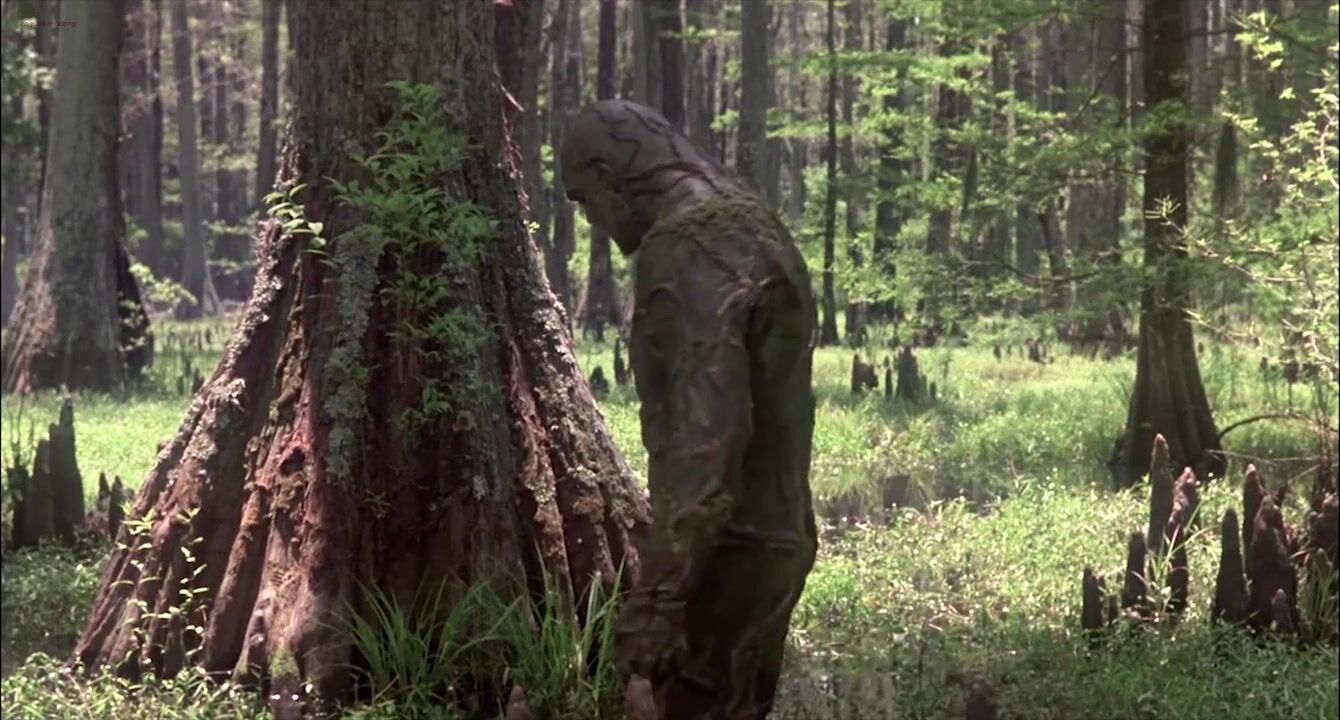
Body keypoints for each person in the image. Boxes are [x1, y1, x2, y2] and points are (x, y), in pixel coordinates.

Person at [559, 99, 819, 719]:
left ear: (609, 177)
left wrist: (661, 598)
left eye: (583, 199)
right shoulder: (753, 223)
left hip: (726, 557)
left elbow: (706, 442)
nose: (591, 218)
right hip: (774, 542)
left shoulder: (685, 248)